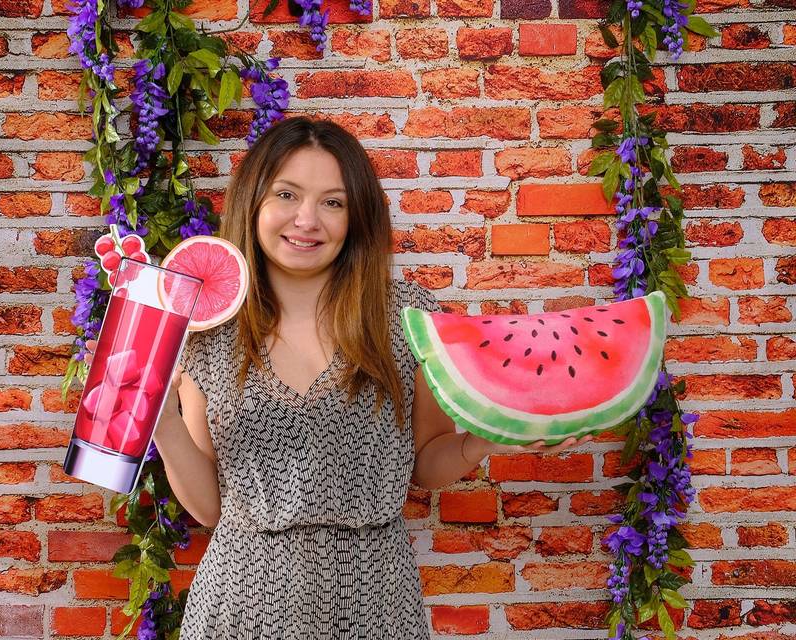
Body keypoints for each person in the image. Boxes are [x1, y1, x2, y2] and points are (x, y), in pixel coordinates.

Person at [89, 116, 591, 639]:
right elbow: (209, 508)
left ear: (356, 217)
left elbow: (428, 463)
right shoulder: (209, 327)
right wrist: (160, 415)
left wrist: (491, 435)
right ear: (253, 201)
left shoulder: (406, 318)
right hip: (242, 604)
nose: (307, 219)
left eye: (333, 202)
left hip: (377, 601)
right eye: (287, 194)